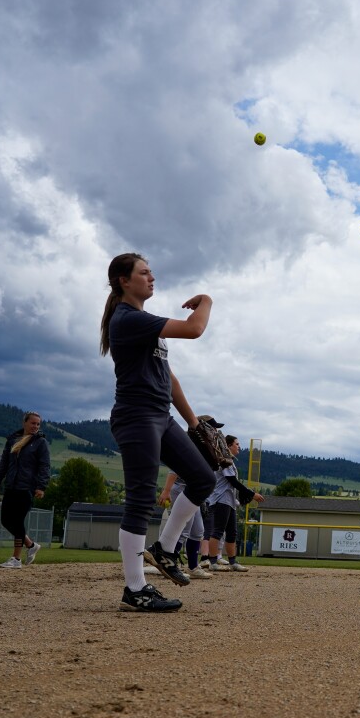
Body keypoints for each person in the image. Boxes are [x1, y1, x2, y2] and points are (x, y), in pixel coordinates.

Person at [100, 252, 219, 612]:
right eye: (144, 272)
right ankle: (135, 588)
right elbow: (195, 329)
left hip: (160, 416)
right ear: (124, 280)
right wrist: (207, 300)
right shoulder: (127, 318)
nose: (152, 278)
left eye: (151, 272)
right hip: (136, 416)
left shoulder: (142, 322)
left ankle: (165, 549)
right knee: (140, 499)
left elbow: (169, 379)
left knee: (203, 479)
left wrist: (194, 424)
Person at [0, 411, 51, 568]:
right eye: (33, 423)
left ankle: (16, 559)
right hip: (11, 486)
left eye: (38, 424)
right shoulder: (12, 440)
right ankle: (31, 545)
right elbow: (4, 462)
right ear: (24, 423)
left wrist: (41, 486)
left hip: (26, 488)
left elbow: (44, 466)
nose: (35, 426)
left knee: (17, 521)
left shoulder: (40, 443)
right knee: (6, 520)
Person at [203, 434, 262, 573]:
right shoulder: (224, 460)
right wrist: (251, 494)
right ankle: (212, 562)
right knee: (217, 531)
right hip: (220, 500)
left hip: (228, 501)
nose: (238, 446)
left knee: (232, 533)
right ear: (228, 446)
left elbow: (232, 484)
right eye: (236, 444)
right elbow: (232, 481)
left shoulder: (229, 460)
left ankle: (233, 562)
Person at [158, 471, 209, 580]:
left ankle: (193, 567)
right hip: (180, 489)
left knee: (198, 530)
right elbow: (174, 469)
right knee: (183, 529)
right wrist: (166, 490)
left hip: (193, 491)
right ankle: (169, 565)